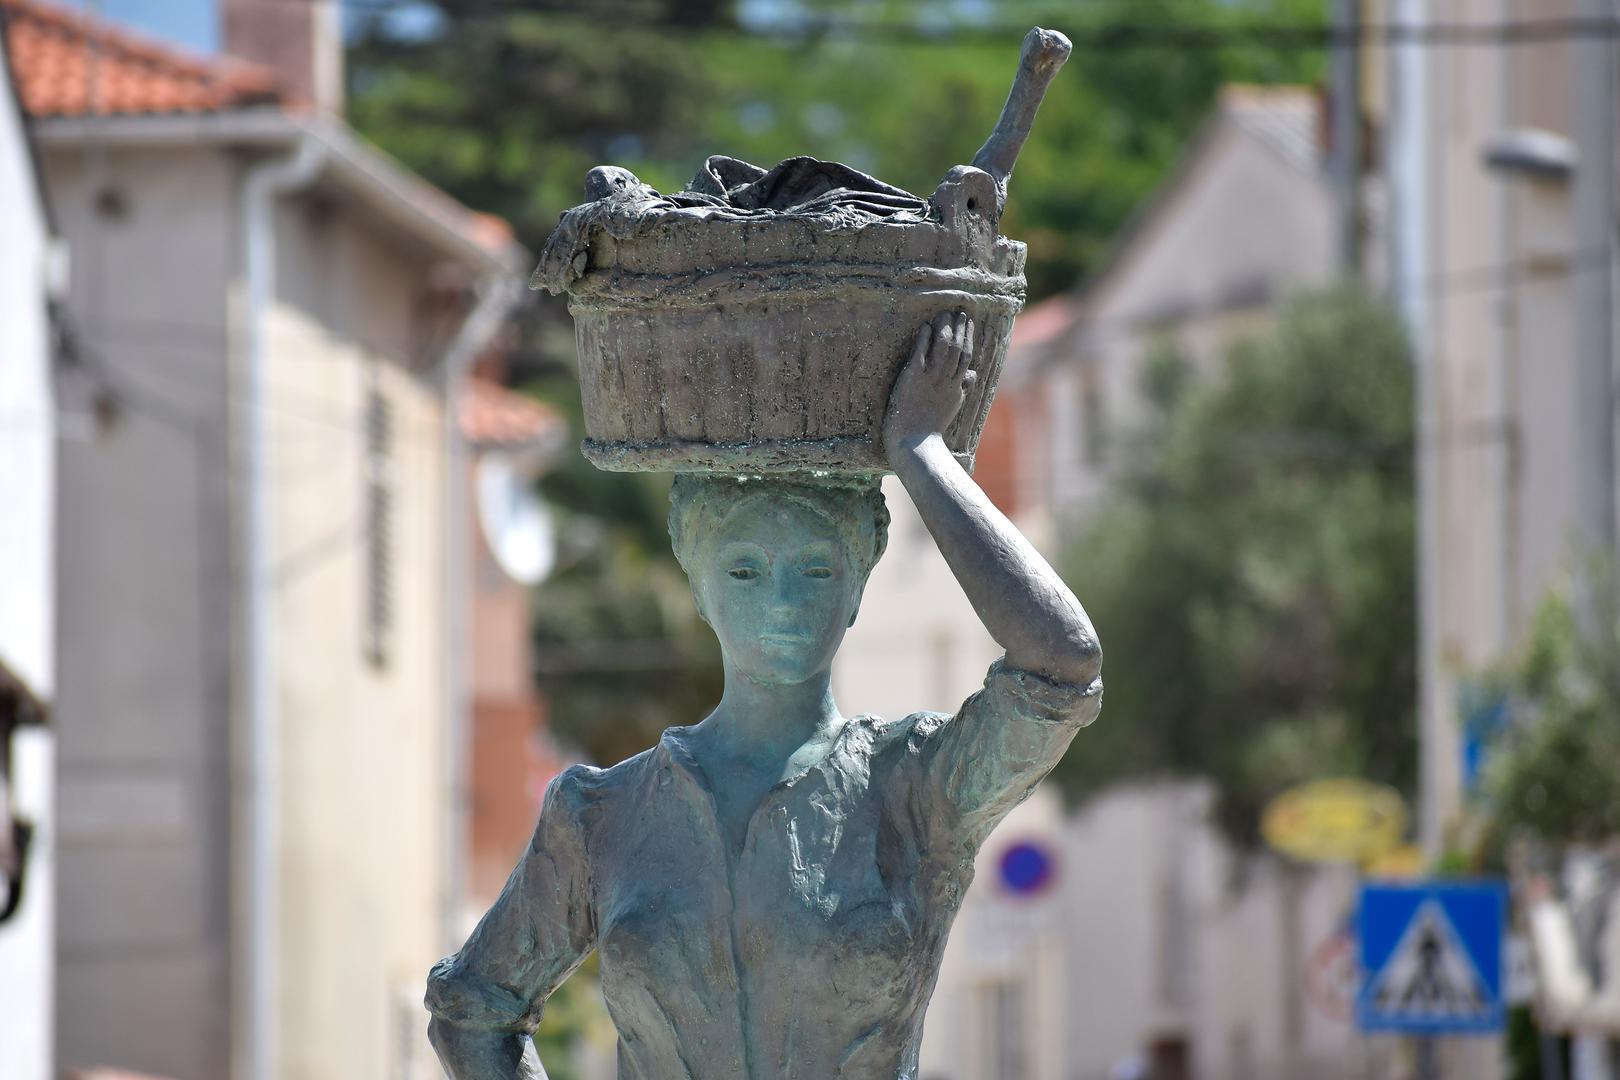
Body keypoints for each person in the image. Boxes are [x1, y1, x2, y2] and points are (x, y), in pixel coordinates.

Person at [426, 313, 1104, 1079]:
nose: (782, 603)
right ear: (700, 589)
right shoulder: (601, 818)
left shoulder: (920, 788)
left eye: (816, 571)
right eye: (745, 571)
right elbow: (472, 1011)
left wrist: (920, 456)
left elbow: (1061, 663)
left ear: (857, 588)